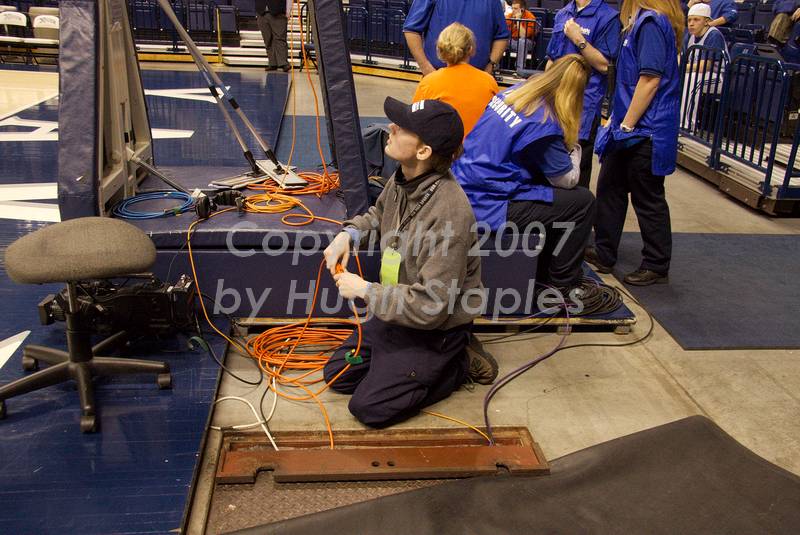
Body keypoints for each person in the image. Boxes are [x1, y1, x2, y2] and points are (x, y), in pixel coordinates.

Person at [322, 98, 496, 428]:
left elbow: (431, 306)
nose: (391, 127)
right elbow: (378, 213)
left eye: (402, 128)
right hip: (397, 315)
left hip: (434, 328)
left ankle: (457, 363)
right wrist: (349, 235)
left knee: (369, 407)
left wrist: (365, 290)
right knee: (339, 374)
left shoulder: (449, 213)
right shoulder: (403, 179)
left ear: (423, 152)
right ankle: (401, 365)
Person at [452, 55, 597, 300]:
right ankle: (563, 286)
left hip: (463, 184)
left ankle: (542, 266)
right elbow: (567, 179)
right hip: (489, 204)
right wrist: (575, 148)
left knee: (550, 193)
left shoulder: (514, 94)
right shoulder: (545, 121)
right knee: (582, 202)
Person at [586, 0, 684, 286]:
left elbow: (650, 80)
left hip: (645, 130)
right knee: (610, 187)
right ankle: (604, 252)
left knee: (647, 198)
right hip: (628, 127)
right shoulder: (638, 22)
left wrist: (627, 124)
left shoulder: (652, 22)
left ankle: (656, 264)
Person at [546, 0, 621, 189]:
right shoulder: (563, 13)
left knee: (575, 173)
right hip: (554, 102)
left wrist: (578, 39)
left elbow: (605, 65)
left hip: (583, 106)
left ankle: (575, 217)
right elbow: (552, 59)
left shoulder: (608, 17)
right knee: (549, 165)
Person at [413, 23, 500, 137]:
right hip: (479, 148)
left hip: (444, 149)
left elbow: (415, 121)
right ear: (471, 49)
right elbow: (497, 120)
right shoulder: (489, 81)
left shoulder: (429, 82)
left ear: (439, 50)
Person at [403, 0, 510, 76]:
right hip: (438, 77)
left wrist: (490, 66)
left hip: (477, 80)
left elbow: (502, 36)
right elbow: (411, 30)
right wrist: (426, 67)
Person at [681, 3, 728, 131]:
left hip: (718, 78)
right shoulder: (689, 36)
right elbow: (681, 57)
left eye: (696, 20)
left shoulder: (713, 35)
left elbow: (704, 66)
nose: (691, 23)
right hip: (697, 74)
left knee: (692, 80)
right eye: (689, 20)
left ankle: (687, 125)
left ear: (707, 21)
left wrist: (681, 68)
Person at [255, 0, 292, 71]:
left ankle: (283, 63)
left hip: (278, 12)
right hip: (261, 13)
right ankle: (272, 63)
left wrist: (288, 10)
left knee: (280, 38)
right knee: (267, 39)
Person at [506, 0, 538, 76]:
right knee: (501, 40)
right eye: (512, 8)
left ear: (522, 9)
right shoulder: (510, 16)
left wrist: (518, 21)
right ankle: (495, 67)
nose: (513, 11)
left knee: (522, 41)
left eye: (515, 9)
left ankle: (519, 70)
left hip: (528, 42)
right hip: (513, 41)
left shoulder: (530, 17)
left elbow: (523, 35)